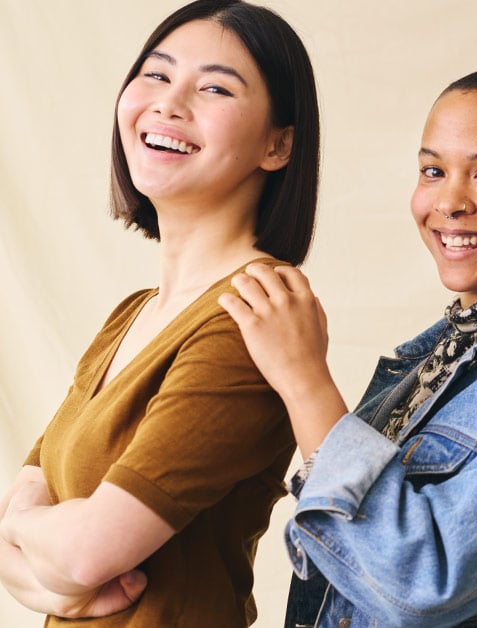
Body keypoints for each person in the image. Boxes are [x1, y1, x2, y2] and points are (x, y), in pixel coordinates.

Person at [219, 66, 477, 627]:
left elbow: (421, 580)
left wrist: (304, 380)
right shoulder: (432, 361)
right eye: (433, 170)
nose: (450, 201)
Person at [0, 0, 319, 625]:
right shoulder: (134, 312)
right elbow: (31, 494)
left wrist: (32, 539)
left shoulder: (251, 311)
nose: (169, 104)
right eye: (155, 74)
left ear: (278, 144)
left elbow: (89, 553)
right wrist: (41, 550)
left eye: (215, 88)